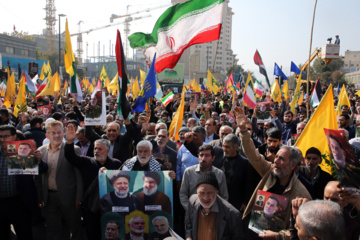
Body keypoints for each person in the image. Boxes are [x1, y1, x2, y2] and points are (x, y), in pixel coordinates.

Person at [234, 106, 311, 239]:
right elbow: (252, 155)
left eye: (281, 159)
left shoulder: (301, 194)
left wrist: (278, 236)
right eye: (276, 157)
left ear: (293, 165)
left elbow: (303, 232)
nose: (275, 161)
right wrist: (243, 130)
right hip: (252, 233)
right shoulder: (269, 171)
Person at [65, 124, 123, 240]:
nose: (96, 151)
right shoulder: (87, 161)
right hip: (90, 207)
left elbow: (122, 183)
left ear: (107, 150)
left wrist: (109, 174)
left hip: (110, 206)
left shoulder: (116, 164)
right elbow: (70, 156)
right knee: (92, 233)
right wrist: (70, 142)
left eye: (99, 149)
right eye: (95, 148)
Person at [36, 120, 83, 240]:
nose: (56, 135)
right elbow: (38, 176)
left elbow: (79, 175)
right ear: (47, 135)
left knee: (75, 227)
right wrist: (40, 196)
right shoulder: (40, 151)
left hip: (70, 197)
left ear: (63, 133)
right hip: (49, 197)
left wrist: (79, 197)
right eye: (53, 133)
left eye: (59, 132)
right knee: (52, 229)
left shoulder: (74, 149)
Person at [0, 125, 47, 240]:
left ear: (14, 136)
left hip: (19, 202)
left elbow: (41, 169)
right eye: (0, 137)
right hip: (1, 203)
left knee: (24, 233)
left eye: (5, 136)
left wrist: (39, 161)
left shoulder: (23, 150)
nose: (2, 139)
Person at [185, 172, 241, 240]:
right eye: (202, 193)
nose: (206, 198)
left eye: (209, 193)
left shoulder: (232, 214)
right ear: (197, 192)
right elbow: (189, 226)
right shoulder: (192, 201)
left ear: (216, 192)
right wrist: (189, 237)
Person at [180, 144, 228, 212]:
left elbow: (224, 196)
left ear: (213, 158)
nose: (203, 159)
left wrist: (217, 211)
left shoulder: (219, 174)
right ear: (198, 156)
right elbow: (183, 194)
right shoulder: (189, 172)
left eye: (207, 156)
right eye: (201, 155)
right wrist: (190, 209)